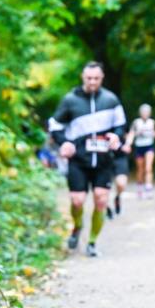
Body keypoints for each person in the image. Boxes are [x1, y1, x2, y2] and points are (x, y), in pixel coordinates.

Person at [48, 61, 127, 257]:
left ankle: (92, 242)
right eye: (89, 78)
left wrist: (117, 136)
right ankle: (77, 227)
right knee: (77, 200)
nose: (92, 82)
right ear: (83, 78)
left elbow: (121, 126)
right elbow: (54, 125)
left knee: (101, 199)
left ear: (102, 78)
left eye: (96, 78)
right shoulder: (70, 100)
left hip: (103, 161)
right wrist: (64, 142)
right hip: (78, 160)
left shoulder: (111, 100)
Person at [126, 103, 155, 198]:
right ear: (140, 113)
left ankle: (148, 188)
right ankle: (140, 187)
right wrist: (128, 144)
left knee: (149, 167)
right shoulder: (136, 122)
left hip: (149, 146)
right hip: (139, 147)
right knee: (140, 169)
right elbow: (131, 134)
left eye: (147, 112)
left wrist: (152, 133)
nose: (145, 113)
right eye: (143, 112)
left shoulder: (152, 122)